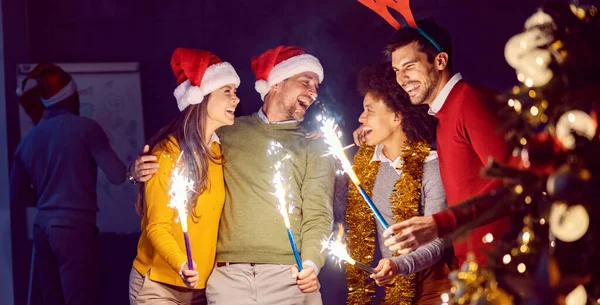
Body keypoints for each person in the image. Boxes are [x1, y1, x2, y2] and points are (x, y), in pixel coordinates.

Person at [132, 45, 335, 305]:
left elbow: (319, 214)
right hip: (227, 280)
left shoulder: (314, 143)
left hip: (290, 277)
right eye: (306, 81)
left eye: (316, 85)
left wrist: (311, 264)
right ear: (276, 83)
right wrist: (136, 170)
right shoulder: (226, 133)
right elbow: (177, 155)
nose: (314, 92)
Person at [354, 20, 512, 266]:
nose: (402, 79)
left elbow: (516, 187)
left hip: (505, 266)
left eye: (409, 66)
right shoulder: (443, 115)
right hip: (475, 268)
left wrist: (439, 224)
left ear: (440, 61)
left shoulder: (469, 101)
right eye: (396, 70)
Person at [129, 48, 241, 304]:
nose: (235, 99)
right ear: (200, 97)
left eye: (235, 92)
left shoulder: (218, 150)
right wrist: (181, 264)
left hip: (200, 289)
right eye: (227, 91)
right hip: (158, 285)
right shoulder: (167, 153)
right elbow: (156, 227)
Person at [9, 63, 126, 305]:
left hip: (42, 228)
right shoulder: (86, 129)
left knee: (52, 299)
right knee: (80, 298)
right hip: (75, 229)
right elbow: (117, 175)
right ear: (73, 95)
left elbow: (15, 196)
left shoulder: (29, 139)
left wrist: (45, 197)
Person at [346, 63, 452, 305]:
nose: (361, 117)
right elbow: (341, 212)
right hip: (394, 284)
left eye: (369, 110)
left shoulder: (430, 165)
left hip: (434, 282)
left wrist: (399, 265)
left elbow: (439, 240)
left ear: (396, 116)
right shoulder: (366, 165)